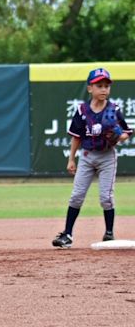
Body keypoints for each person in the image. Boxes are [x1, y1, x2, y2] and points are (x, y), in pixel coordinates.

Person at [52, 68, 133, 248]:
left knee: (106, 198)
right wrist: (71, 159)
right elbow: (76, 137)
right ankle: (67, 235)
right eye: (99, 85)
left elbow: (127, 132)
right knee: (76, 196)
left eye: (106, 86)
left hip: (107, 157)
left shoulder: (115, 109)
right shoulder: (82, 111)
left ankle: (109, 233)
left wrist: (119, 137)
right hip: (87, 157)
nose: (103, 89)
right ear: (90, 88)